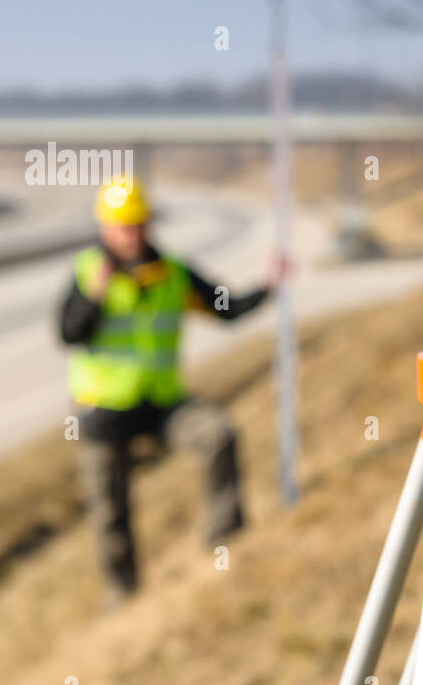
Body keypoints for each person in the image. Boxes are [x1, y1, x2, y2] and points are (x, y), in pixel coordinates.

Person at [58, 175, 285, 606]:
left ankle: (224, 540)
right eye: (123, 226)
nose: (132, 234)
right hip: (103, 412)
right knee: (110, 510)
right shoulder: (89, 273)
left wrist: (268, 286)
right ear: (105, 228)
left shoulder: (172, 273)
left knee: (217, 434)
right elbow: (67, 332)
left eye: (139, 224)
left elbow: (226, 307)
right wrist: (94, 297)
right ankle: (122, 595)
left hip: (162, 404)